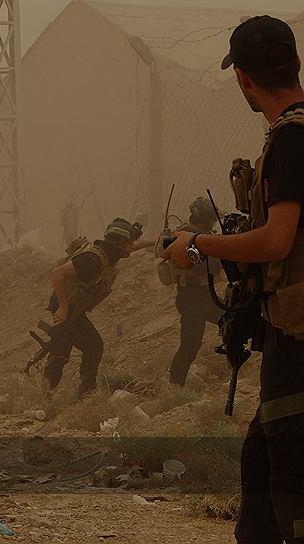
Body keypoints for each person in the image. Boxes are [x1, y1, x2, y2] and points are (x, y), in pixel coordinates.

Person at [163, 15, 304, 543]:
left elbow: (277, 241)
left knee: (287, 484)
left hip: (298, 341)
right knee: (261, 470)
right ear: (295, 62)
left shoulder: (291, 140)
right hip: (288, 335)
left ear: (243, 78)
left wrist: (200, 245)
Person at [44, 218, 153, 396]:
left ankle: (49, 392)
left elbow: (132, 247)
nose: (130, 247)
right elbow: (57, 273)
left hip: (74, 307)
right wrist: (63, 307)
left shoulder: (110, 253)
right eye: (128, 243)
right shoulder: (92, 260)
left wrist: (154, 240)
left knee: (65, 347)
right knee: (88, 346)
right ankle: (83, 392)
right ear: (119, 244)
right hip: (66, 306)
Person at [166, 197, 224, 387]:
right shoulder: (187, 238)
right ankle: (175, 385)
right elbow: (208, 265)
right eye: (212, 219)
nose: (213, 224)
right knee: (190, 345)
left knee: (230, 321)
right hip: (192, 298)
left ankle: (233, 365)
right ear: (205, 219)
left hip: (205, 296)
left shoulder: (196, 236)